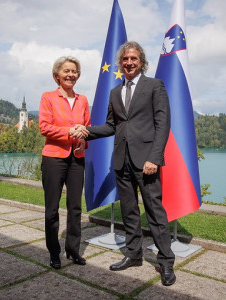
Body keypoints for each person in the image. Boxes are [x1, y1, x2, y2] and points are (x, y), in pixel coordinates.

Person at [71, 41, 176, 286]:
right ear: (121, 63)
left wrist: (154, 158)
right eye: (125, 59)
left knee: (155, 213)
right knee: (129, 212)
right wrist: (86, 131)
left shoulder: (154, 86)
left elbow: (163, 124)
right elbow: (111, 126)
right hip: (121, 161)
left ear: (141, 62)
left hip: (146, 162)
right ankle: (134, 255)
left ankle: (166, 262)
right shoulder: (114, 92)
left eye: (134, 59)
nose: (129, 63)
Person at [39, 56, 90, 269]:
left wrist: (82, 141)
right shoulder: (48, 98)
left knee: (75, 207)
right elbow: (44, 127)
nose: (71, 75)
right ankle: (54, 252)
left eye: (75, 71)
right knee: (52, 209)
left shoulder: (83, 100)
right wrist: (69, 131)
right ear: (57, 76)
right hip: (53, 158)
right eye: (66, 71)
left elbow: (87, 127)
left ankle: (73, 250)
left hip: (76, 159)